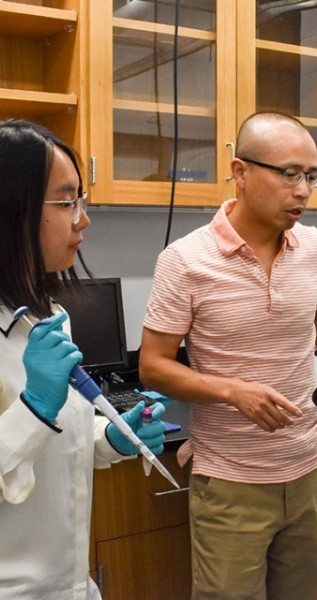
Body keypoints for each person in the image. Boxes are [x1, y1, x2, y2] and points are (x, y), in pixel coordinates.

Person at [139, 111, 317, 600]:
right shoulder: (185, 260)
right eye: (289, 173)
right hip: (231, 482)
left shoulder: (314, 246)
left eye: (311, 176)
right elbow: (153, 364)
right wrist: (234, 392)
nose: (303, 190)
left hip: (309, 470)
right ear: (240, 171)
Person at [0, 119, 166, 599]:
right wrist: (33, 408)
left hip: (71, 587)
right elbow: (33, 425)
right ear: (14, 208)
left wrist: (111, 437)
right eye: (67, 200)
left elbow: (56, 444)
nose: (83, 218)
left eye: (82, 199)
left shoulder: (50, 317)